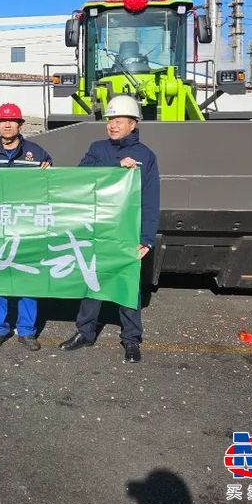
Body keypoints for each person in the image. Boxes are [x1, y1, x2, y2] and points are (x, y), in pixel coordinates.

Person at [58, 94, 160, 364]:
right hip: (97, 228)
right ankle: (85, 333)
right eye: (110, 120)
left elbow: (150, 199)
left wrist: (147, 239)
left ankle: (131, 340)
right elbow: (82, 176)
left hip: (127, 233)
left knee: (127, 286)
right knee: (92, 283)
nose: (112, 125)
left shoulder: (145, 157)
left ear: (133, 124)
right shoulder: (97, 148)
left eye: (118, 120)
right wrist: (116, 167)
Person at [0, 102, 51, 351]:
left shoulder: (37, 154)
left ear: (20, 125)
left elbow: (52, 189)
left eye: (12, 121)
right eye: (2, 121)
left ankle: (27, 331)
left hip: (27, 227)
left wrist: (50, 173)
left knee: (27, 277)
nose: (6, 125)